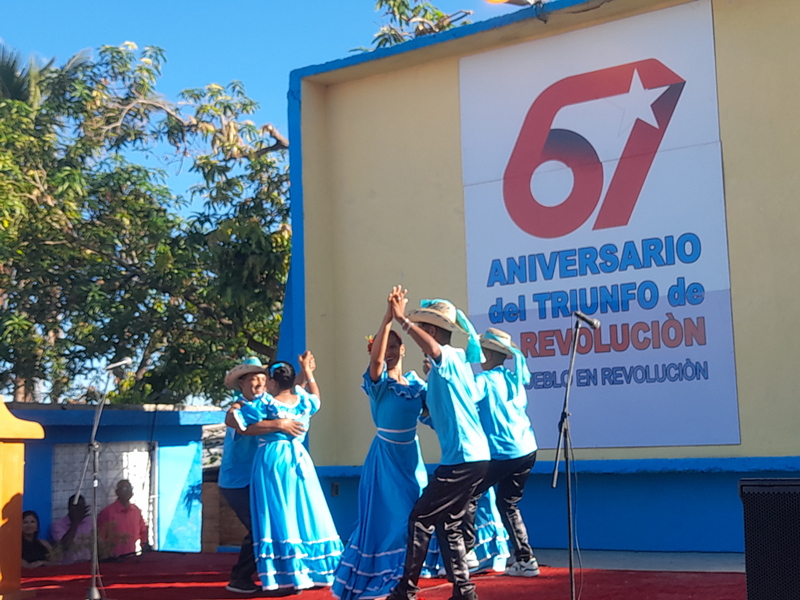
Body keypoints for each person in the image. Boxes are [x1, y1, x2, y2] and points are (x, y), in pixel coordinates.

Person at [386, 291, 490, 600]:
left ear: (430, 331)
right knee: (450, 524)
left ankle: (406, 589)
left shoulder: (452, 356)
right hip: (473, 457)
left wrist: (402, 320)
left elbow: (434, 349)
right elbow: (442, 414)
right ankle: (464, 590)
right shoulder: (448, 372)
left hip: (463, 458)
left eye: (422, 329)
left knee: (420, 518)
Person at [332, 287, 434, 600]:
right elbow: (376, 362)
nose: (388, 352)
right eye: (381, 347)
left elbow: (434, 415)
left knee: (415, 516)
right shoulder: (379, 385)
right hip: (385, 460)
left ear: (404, 350)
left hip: (410, 458)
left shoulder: (417, 385)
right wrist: (388, 317)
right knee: (392, 521)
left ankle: (404, 577)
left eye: (393, 347)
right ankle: (389, 579)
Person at [232, 352, 343, 592]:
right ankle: (313, 570)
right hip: (300, 460)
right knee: (304, 511)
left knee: (278, 513)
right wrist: (309, 372)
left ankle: (286, 574)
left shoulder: (266, 403)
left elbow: (237, 422)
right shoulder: (303, 401)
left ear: (272, 382)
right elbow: (316, 395)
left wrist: (236, 410)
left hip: (274, 460)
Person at [221, 356, 307, 595]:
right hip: (239, 481)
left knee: (269, 526)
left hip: (261, 479)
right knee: (259, 528)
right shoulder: (240, 408)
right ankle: (242, 578)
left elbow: (291, 393)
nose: (259, 384)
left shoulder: (269, 404)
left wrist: (304, 372)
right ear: (241, 384)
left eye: (262, 378)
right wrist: (279, 425)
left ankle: (272, 577)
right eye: (253, 380)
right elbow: (236, 422)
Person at [463, 328, 539, 577]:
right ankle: (526, 559)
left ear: (487, 354)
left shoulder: (484, 381)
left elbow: (464, 397)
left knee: (468, 494)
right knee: (508, 503)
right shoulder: (512, 378)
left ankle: (468, 552)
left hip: (504, 452)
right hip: (526, 449)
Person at [97, 479, 149, 559]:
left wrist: (144, 545)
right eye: (125, 489)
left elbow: (143, 530)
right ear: (117, 492)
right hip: (113, 559)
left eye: (130, 489)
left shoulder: (135, 511)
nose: (128, 491)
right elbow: (100, 536)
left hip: (132, 556)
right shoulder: (107, 512)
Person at [50, 494, 93, 564]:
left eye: (81, 508)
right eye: (77, 508)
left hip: (87, 564)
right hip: (68, 566)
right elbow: (64, 546)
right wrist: (75, 523)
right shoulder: (57, 525)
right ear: (69, 508)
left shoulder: (90, 522)